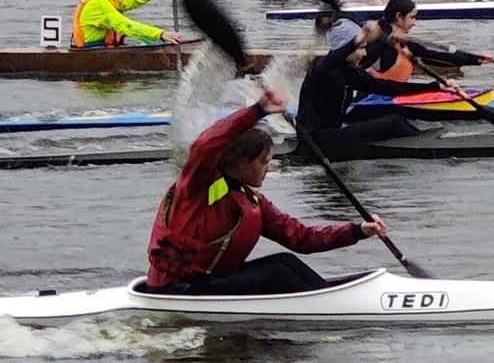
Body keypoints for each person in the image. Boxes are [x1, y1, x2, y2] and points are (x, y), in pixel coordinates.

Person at [140, 89, 387, 295]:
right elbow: (205, 145)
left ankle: (329, 298)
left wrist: (357, 231)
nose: (269, 168)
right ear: (241, 162)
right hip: (177, 289)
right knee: (278, 273)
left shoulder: (253, 201)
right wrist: (256, 111)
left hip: (211, 283)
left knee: (285, 262)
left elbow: (301, 237)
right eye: (264, 162)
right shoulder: (197, 188)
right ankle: (328, 305)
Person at [297, 7, 465, 160]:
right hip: (314, 138)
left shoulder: (351, 73)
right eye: (361, 48)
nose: (364, 54)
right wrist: (358, 39)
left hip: (333, 132)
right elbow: (333, 58)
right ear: (345, 47)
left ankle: (419, 143)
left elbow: (389, 88)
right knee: (393, 122)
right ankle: (428, 149)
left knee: (394, 117)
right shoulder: (320, 67)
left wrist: (436, 87)